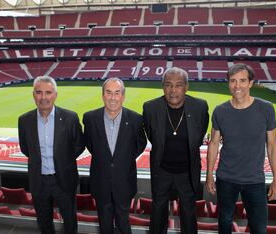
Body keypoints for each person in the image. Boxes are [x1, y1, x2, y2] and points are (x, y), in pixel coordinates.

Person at [206, 63, 276, 234]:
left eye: (242, 80)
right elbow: (214, 144)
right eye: (233, 81)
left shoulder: (266, 109)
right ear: (228, 83)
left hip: (254, 180)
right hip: (226, 178)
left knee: (259, 227)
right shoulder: (220, 111)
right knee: (224, 224)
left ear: (250, 83)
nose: (237, 86)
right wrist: (209, 174)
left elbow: (272, 146)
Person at [143, 67, 209, 234]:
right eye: (168, 85)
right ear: (163, 86)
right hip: (161, 170)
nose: (173, 90)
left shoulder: (200, 107)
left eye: (178, 85)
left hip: (187, 172)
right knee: (158, 213)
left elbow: (198, 136)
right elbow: (153, 137)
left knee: (188, 213)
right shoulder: (150, 108)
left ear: (186, 87)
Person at [18, 76, 85, 234]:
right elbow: (25, 148)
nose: (43, 97)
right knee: (43, 221)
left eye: (48, 92)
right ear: (33, 95)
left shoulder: (70, 118)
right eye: (39, 92)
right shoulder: (24, 120)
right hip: (38, 180)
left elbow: (79, 146)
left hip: (64, 179)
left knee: (69, 221)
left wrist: (63, 161)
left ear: (55, 94)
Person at [82, 77, 147, 234]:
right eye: (108, 92)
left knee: (124, 223)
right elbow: (90, 145)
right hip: (100, 181)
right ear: (103, 95)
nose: (112, 97)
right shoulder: (90, 118)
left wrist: (122, 159)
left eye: (117, 93)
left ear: (123, 96)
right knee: (104, 224)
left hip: (124, 181)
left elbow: (140, 145)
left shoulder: (136, 119)